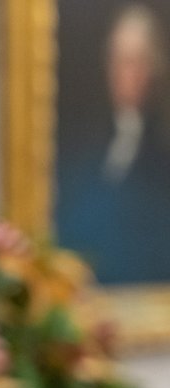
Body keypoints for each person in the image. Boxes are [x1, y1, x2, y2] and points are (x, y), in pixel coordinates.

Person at [57, 3, 170, 284]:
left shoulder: (161, 152)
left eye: (136, 61)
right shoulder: (83, 145)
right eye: (118, 60)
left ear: (155, 68)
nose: (125, 74)